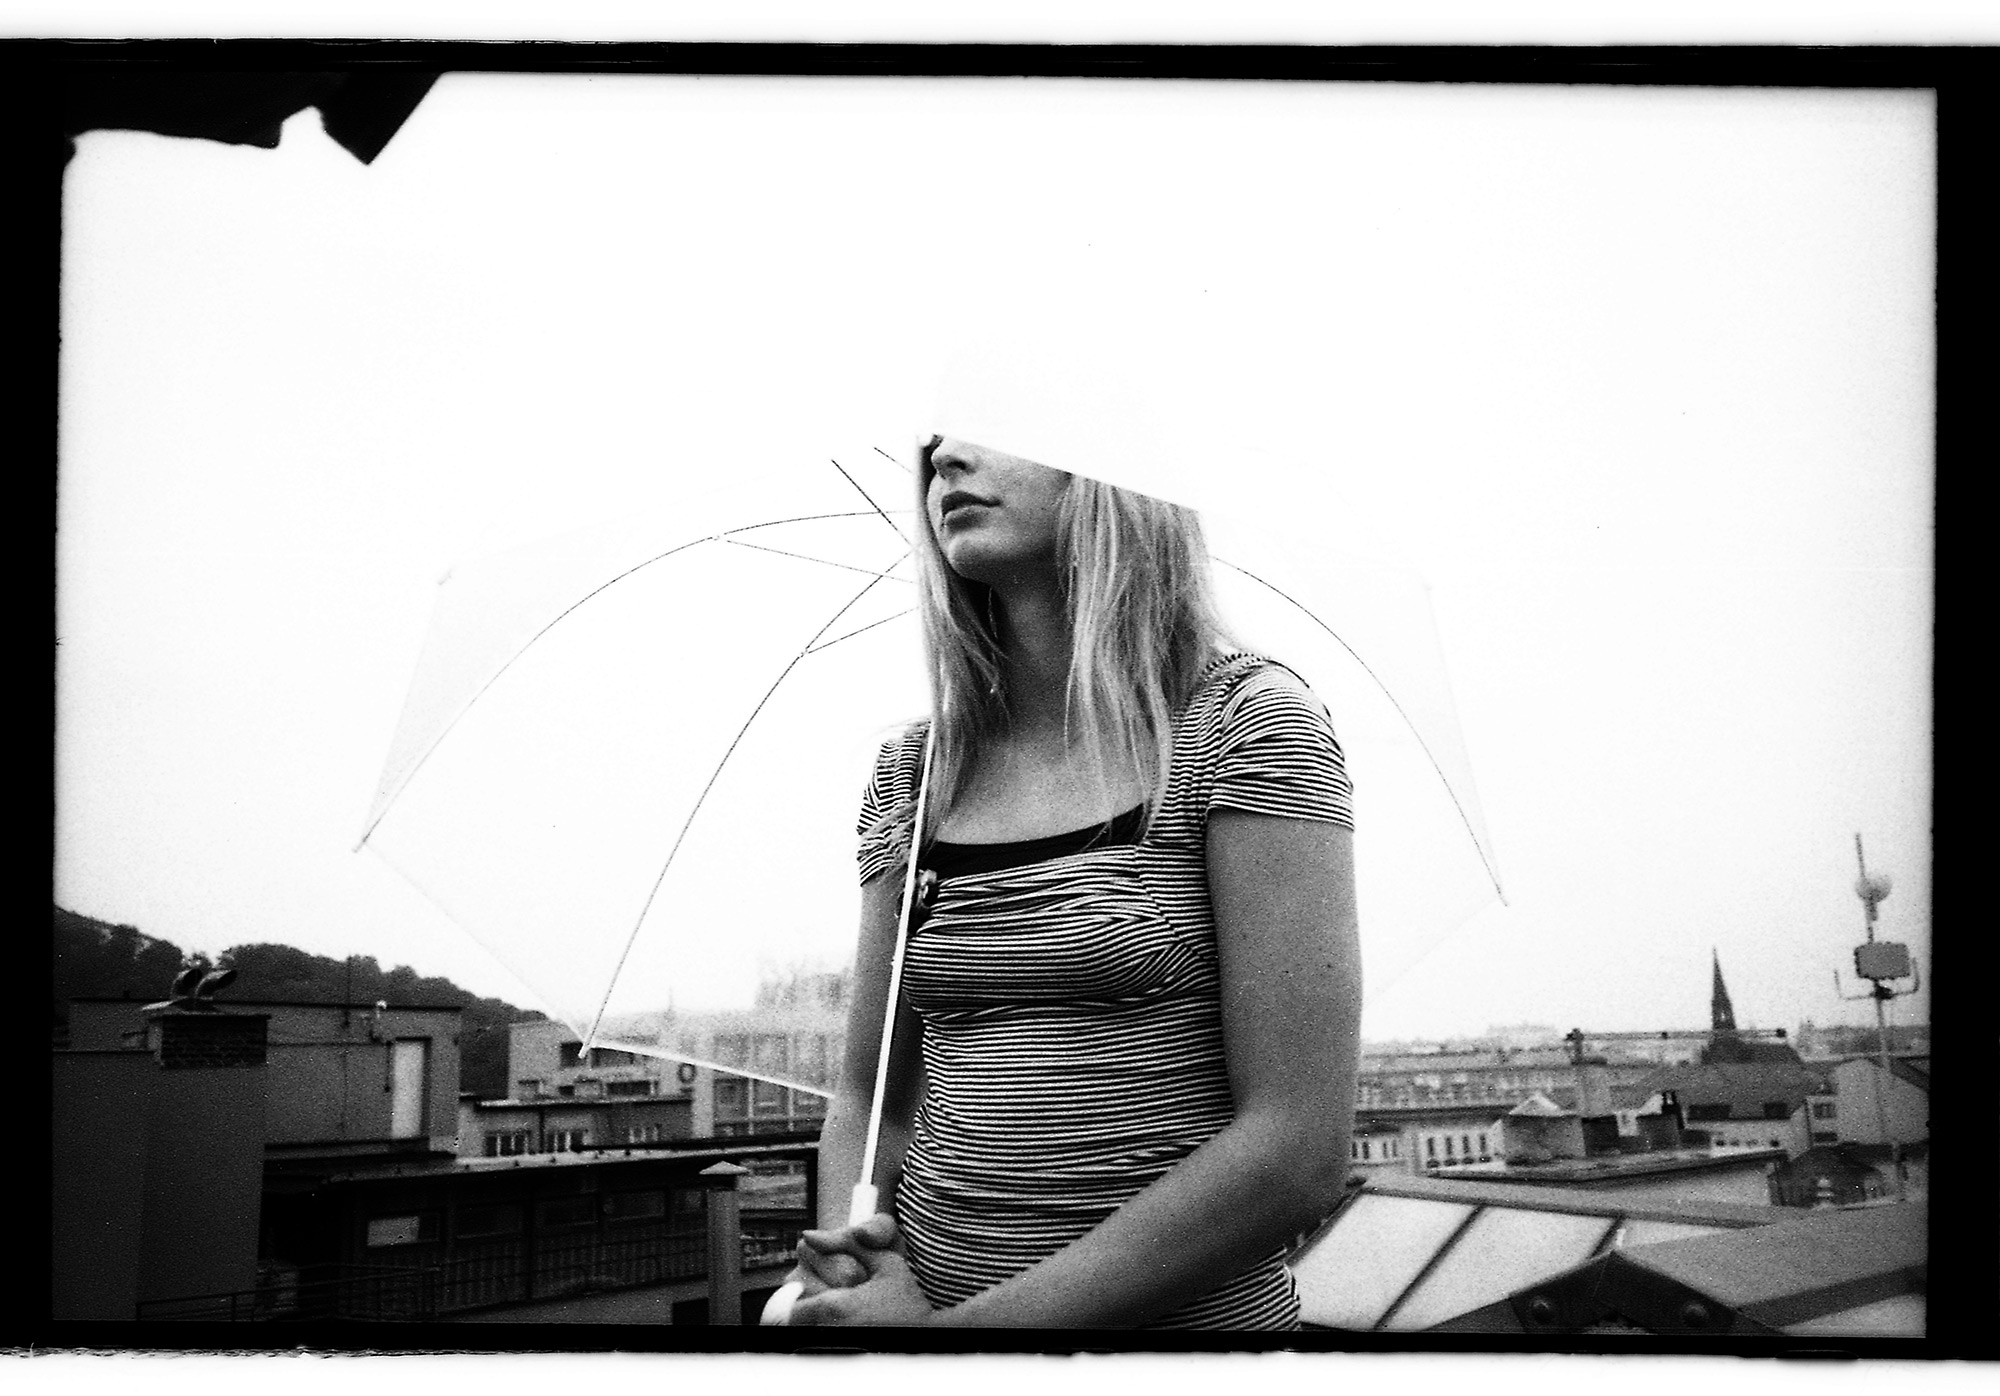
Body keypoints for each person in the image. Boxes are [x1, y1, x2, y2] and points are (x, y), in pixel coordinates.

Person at [785, 435, 1361, 1328]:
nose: (946, 458)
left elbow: (1295, 1149)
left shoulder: (1244, 723)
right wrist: (856, 1279)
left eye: (992, 425)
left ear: (1110, 465)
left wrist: (956, 1345)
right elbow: (870, 1099)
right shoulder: (915, 771)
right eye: (935, 440)